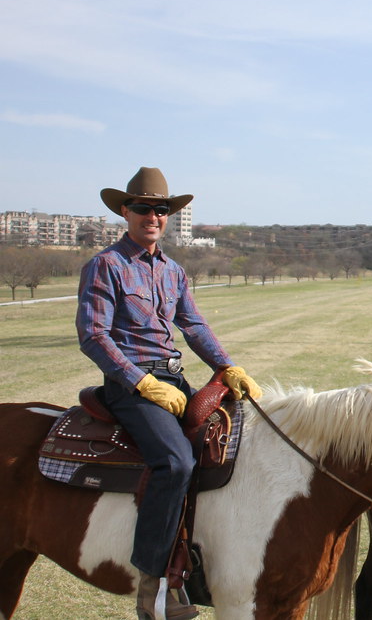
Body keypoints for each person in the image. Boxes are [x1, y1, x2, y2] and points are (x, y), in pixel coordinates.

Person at [77, 167, 262, 620]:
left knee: (231, 442)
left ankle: (200, 556)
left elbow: (193, 325)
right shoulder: (106, 266)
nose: (152, 216)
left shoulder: (173, 271)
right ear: (126, 211)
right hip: (130, 386)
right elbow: (93, 335)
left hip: (174, 380)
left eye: (160, 209)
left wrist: (226, 365)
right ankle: (153, 586)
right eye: (143, 208)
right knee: (175, 461)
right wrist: (140, 381)